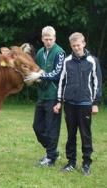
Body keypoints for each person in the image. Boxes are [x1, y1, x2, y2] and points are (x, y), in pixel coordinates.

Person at [53, 32, 102, 176]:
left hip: (86, 103)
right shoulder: (67, 61)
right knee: (71, 135)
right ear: (71, 46)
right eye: (73, 46)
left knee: (85, 135)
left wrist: (95, 103)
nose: (76, 48)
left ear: (84, 44)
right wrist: (59, 101)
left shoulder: (93, 61)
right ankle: (71, 162)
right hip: (69, 104)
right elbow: (62, 82)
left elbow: (97, 83)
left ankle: (86, 163)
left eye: (78, 45)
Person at [33, 26, 65, 166]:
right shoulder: (40, 53)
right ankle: (52, 151)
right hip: (42, 95)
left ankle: (50, 157)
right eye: (46, 39)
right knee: (37, 126)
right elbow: (35, 69)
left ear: (55, 38)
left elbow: (58, 74)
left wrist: (41, 75)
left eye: (50, 39)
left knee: (52, 127)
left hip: (54, 95)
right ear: (42, 39)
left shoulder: (60, 52)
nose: (48, 42)